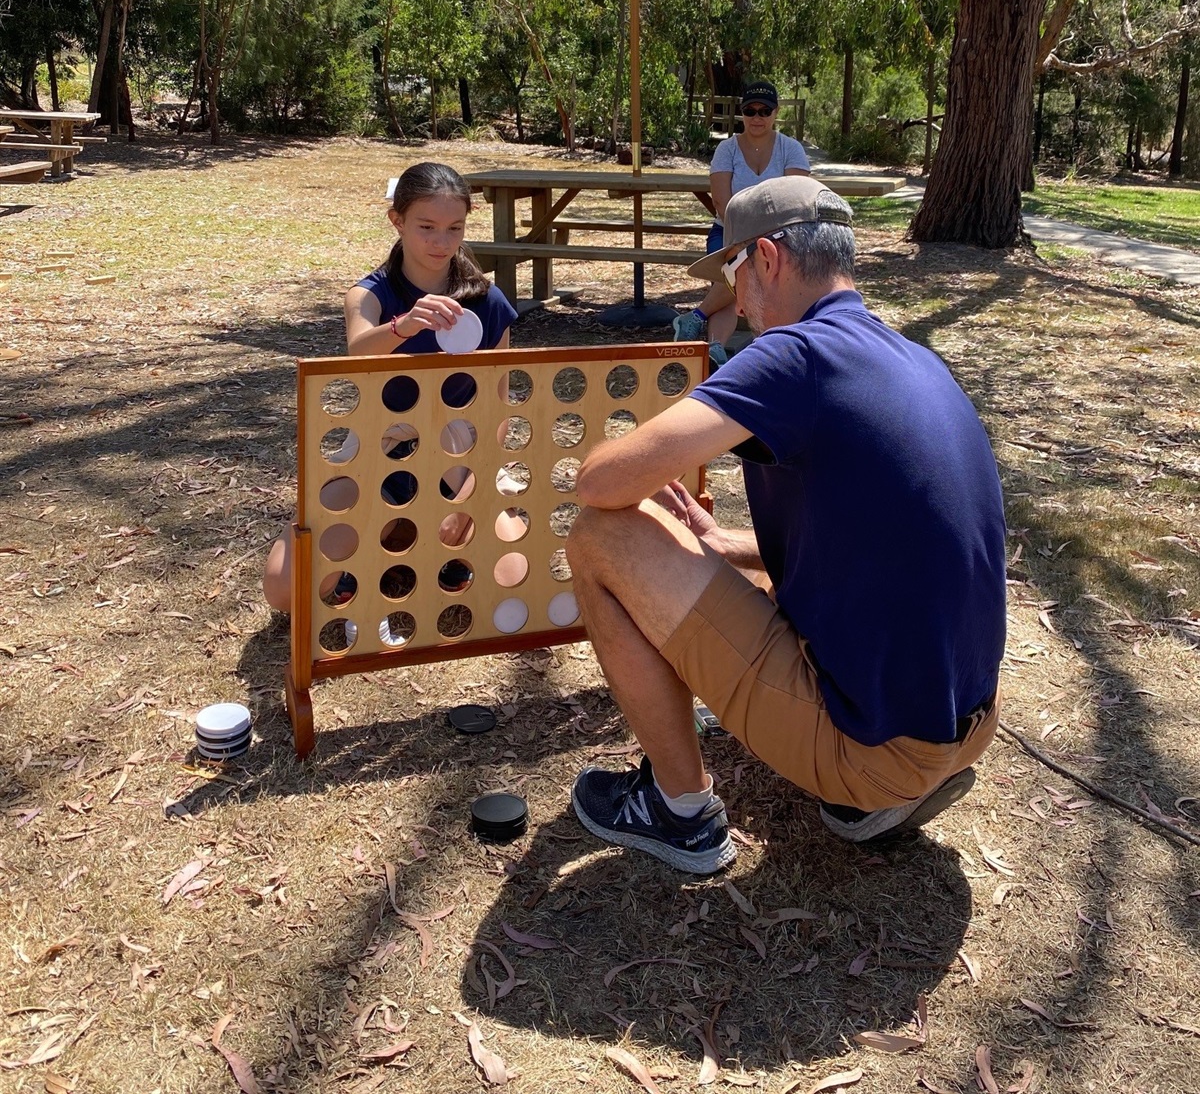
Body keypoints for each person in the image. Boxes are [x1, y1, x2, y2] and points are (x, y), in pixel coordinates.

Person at [566, 175, 1006, 874]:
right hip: (964, 721)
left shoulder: (794, 354)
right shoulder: (915, 359)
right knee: (751, 566)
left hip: (873, 750)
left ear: (766, 258)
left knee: (598, 536)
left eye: (734, 273)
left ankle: (678, 810)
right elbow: (867, 541)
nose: (734, 302)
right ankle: (881, 789)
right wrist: (723, 546)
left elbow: (602, 482)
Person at [262, 162, 518, 611]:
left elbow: (498, 411)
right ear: (396, 221)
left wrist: (470, 495)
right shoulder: (371, 296)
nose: (441, 242)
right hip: (381, 444)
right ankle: (391, 537)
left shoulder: (487, 301)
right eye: (427, 227)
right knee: (287, 592)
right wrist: (402, 327)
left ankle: (412, 540)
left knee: (514, 583)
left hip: (458, 452)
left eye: (454, 228)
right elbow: (358, 350)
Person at [674, 79, 810, 363]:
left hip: (778, 238)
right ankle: (716, 349)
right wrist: (745, 241)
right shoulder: (727, 149)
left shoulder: (791, 148)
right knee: (740, 271)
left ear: (775, 112)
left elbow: (795, 199)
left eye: (764, 110)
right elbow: (722, 203)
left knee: (739, 272)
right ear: (742, 113)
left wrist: (759, 240)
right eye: (750, 111)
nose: (757, 117)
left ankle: (697, 319)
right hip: (728, 232)